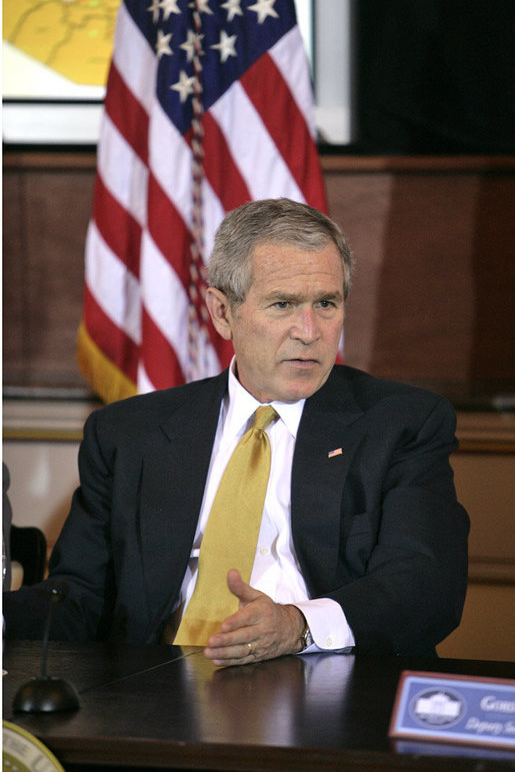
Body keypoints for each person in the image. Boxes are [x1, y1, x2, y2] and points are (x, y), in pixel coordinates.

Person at [3, 198, 469, 666]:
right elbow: (79, 599)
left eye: (326, 304)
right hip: (156, 695)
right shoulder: (130, 435)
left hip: (326, 685)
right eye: (283, 304)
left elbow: (425, 585)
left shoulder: (401, 423)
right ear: (222, 313)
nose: (309, 331)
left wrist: (298, 625)